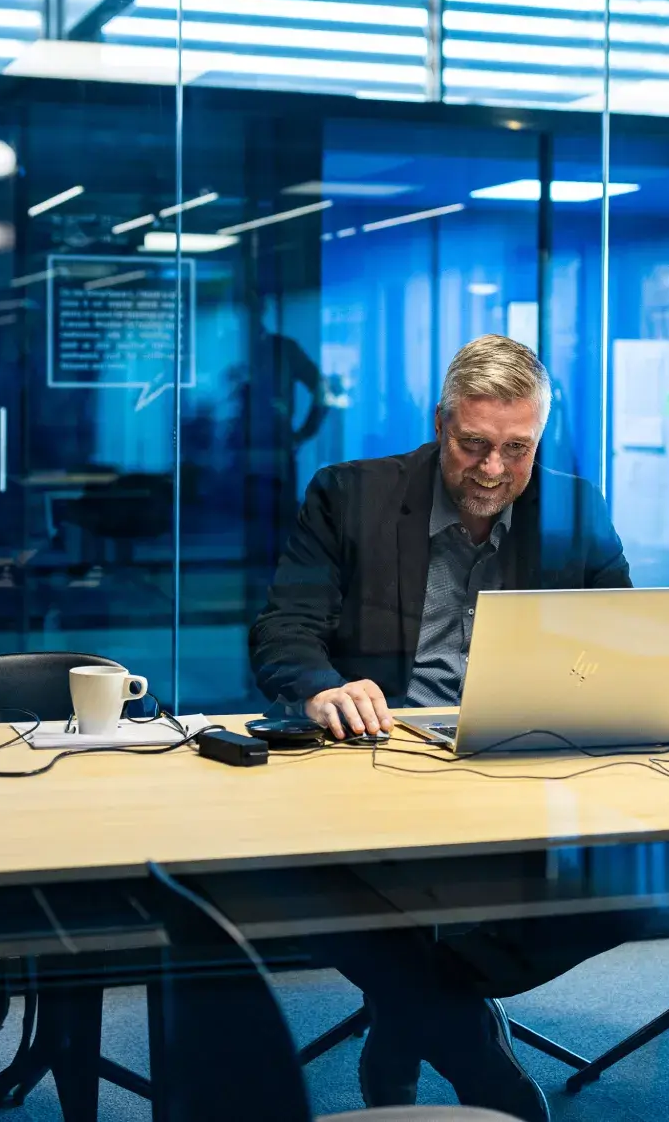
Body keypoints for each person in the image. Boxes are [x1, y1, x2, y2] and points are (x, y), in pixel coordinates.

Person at [250, 334, 647, 1120]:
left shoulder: (572, 507)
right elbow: (283, 633)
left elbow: (627, 638)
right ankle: (487, 1075)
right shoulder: (350, 494)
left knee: (628, 889)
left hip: (525, 768)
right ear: (441, 425)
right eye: (473, 445)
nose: (493, 470)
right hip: (376, 767)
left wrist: (650, 684)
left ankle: (408, 1027)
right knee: (329, 892)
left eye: (516, 448)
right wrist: (326, 688)